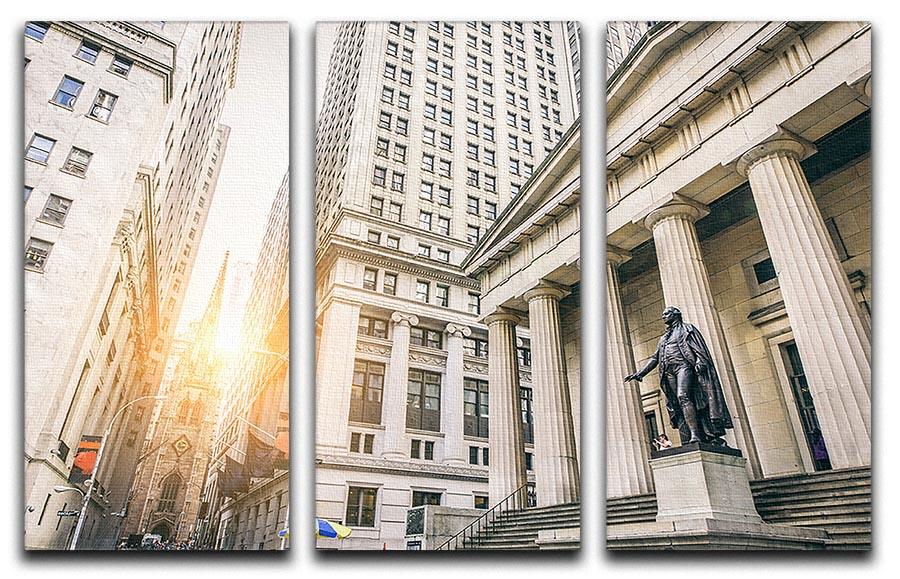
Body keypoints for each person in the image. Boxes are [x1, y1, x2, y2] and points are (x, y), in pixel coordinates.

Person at [625, 306, 734, 446]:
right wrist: (640, 373)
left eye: (666, 314)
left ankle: (696, 434)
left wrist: (700, 360)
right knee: (677, 401)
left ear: (675, 315)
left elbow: (699, 349)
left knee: (683, 396)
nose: (663, 316)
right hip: (668, 372)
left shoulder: (687, 329)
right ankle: (690, 433)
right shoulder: (663, 338)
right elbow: (654, 358)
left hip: (684, 366)